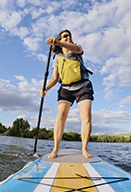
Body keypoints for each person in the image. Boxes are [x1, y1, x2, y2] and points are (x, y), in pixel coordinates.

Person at [40, 29, 94, 159]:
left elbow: (74, 48)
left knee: (86, 117)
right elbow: (54, 78)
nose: (68, 37)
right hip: (65, 88)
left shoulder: (77, 49)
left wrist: (58, 42)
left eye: (70, 36)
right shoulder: (57, 58)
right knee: (60, 116)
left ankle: (84, 149)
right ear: (60, 38)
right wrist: (45, 89)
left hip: (83, 86)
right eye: (65, 36)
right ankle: (55, 149)